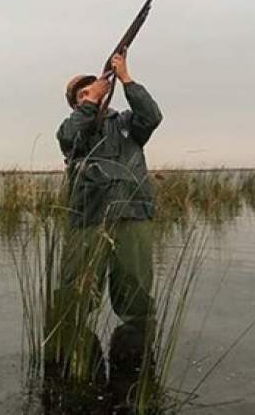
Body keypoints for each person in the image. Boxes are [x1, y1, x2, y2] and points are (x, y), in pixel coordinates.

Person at [47, 53, 162, 406]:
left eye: (92, 89)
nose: (89, 94)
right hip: (88, 218)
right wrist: (89, 103)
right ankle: (71, 375)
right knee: (74, 295)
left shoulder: (127, 123)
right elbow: (67, 137)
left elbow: (152, 116)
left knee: (136, 295)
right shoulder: (75, 129)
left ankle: (135, 378)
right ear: (75, 104)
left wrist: (125, 78)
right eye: (80, 94)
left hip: (133, 214)